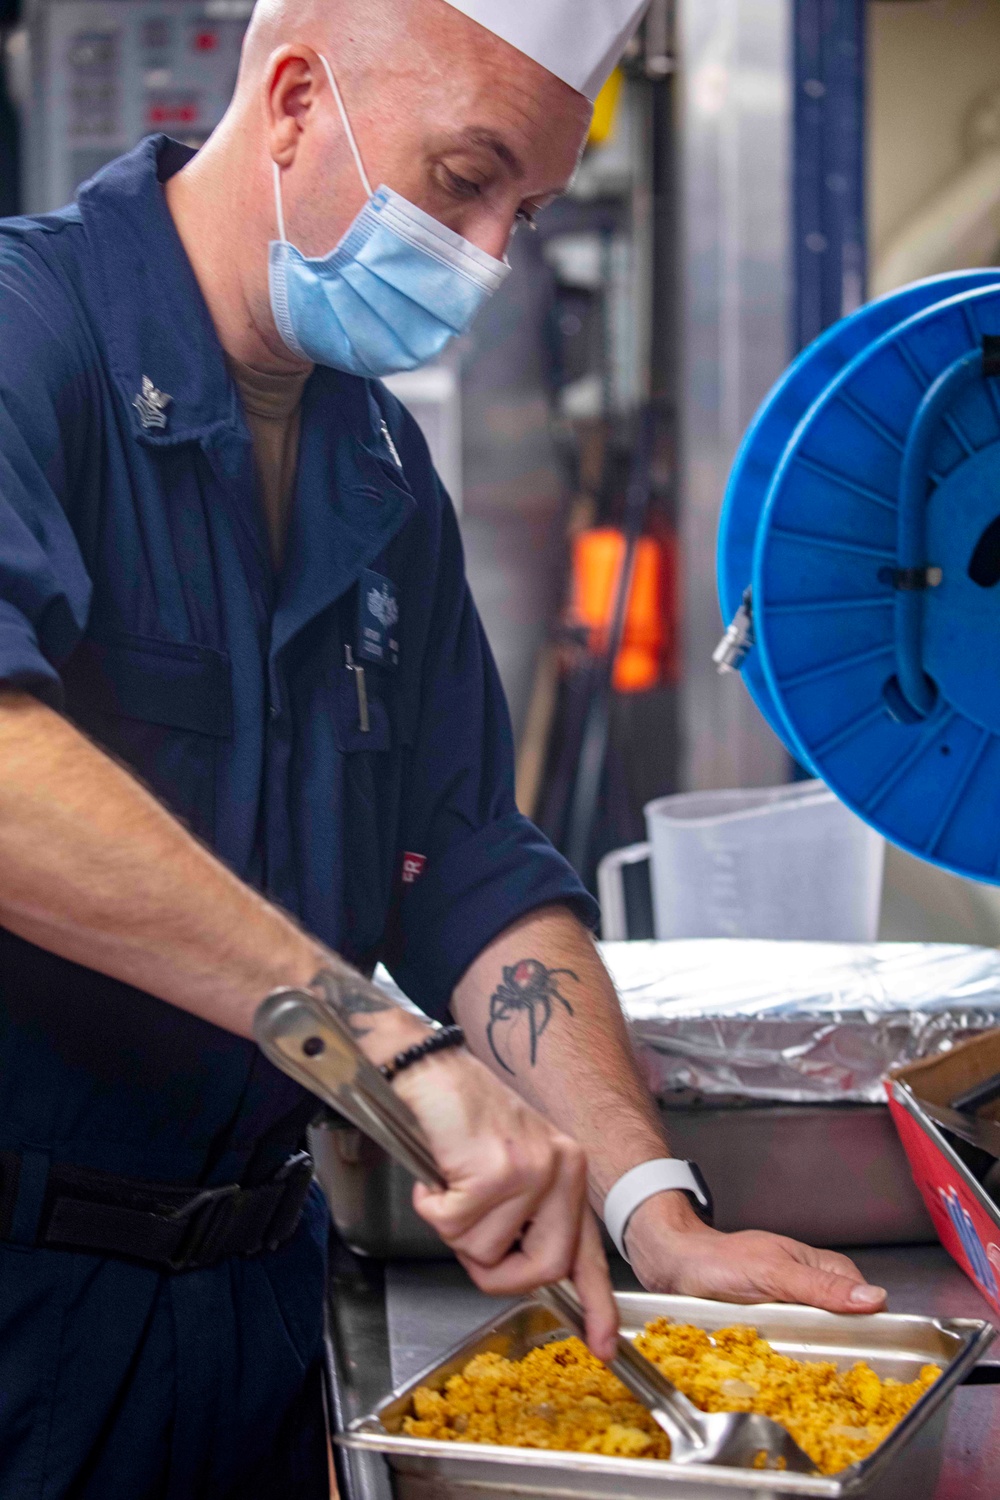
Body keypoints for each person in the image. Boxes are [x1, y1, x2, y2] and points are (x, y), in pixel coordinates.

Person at [0, 0, 886, 1494]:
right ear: (290, 97)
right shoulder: (34, 342)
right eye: (464, 179)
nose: (484, 259)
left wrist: (654, 1212)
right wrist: (388, 1049)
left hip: (251, 1316)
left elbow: (471, 864)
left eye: (523, 213)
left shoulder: (381, 467)